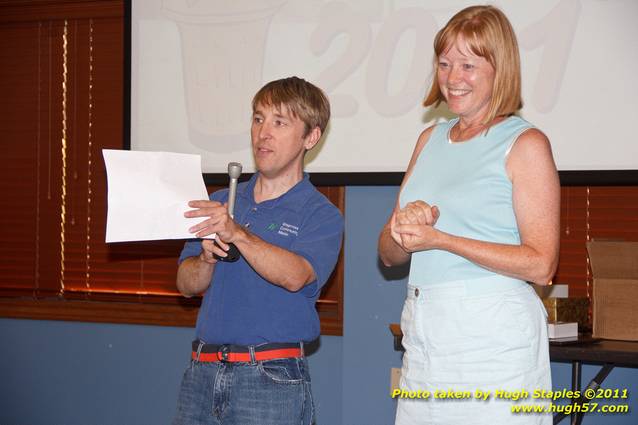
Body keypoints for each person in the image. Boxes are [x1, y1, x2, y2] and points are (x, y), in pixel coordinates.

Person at [378, 5, 560, 425]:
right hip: (423, 337)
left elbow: (541, 264)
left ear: (501, 69)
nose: (452, 77)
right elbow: (388, 254)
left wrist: (441, 239)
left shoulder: (526, 143)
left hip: (494, 342)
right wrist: (403, 230)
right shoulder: (429, 138)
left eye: (467, 65)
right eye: (444, 64)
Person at [173, 77, 343, 425]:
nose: (263, 132)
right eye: (258, 118)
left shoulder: (321, 214)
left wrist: (238, 234)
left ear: (311, 137)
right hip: (202, 373)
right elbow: (185, 284)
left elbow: (297, 276)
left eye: (279, 122)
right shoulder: (221, 202)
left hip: (269, 378)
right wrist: (205, 259)